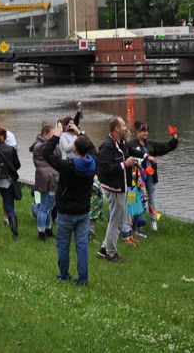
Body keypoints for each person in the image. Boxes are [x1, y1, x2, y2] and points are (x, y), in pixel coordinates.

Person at [42, 122, 98, 286]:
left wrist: (57, 135)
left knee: (63, 243)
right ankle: (83, 279)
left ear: (74, 149)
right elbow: (94, 150)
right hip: (83, 210)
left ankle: (64, 274)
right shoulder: (93, 163)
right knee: (81, 245)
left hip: (66, 210)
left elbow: (46, 153)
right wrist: (81, 133)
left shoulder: (67, 166)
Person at [97, 117, 151, 262]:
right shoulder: (107, 146)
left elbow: (131, 150)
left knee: (117, 220)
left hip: (122, 185)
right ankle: (111, 253)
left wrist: (145, 156)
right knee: (117, 220)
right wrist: (124, 164)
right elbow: (104, 168)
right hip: (114, 188)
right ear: (116, 129)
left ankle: (104, 248)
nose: (126, 128)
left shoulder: (122, 142)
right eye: (123, 126)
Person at [129, 120, 178, 232]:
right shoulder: (132, 144)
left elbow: (165, 146)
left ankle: (154, 223)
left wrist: (174, 138)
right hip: (136, 177)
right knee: (137, 198)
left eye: (147, 131)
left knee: (151, 198)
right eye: (143, 131)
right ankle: (136, 223)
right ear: (137, 131)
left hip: (150, 176)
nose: (145, 133)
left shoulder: (150, 144)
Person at [30, 123, 60, 241]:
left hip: (49, 177)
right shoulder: (41, 146)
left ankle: (48, 230)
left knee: (49, 207)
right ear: (46, 134)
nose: (55, 136)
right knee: (44, 207)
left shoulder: (43, 145)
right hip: (48, 178)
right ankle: (41, 233)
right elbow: (58, 154)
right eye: (53, 134)